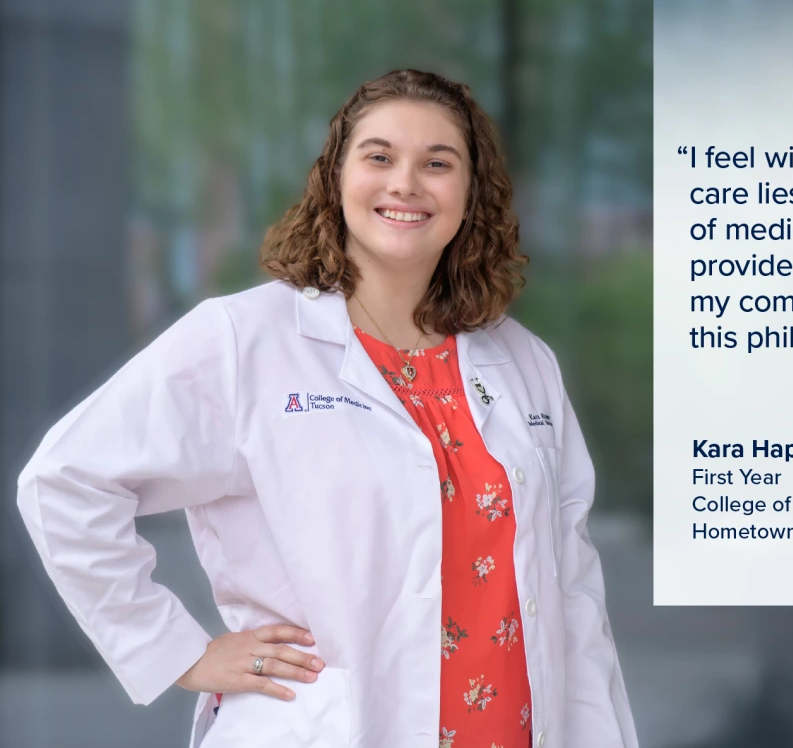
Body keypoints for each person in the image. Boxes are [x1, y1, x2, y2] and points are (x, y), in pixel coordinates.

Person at [16, 68, 638, 748]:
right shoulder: (244, 340)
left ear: (470, 193)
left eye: (438, 163)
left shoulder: (523, 361)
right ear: (336, 177)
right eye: (379, 157)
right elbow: (65, 480)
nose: (405, 182)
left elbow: (572, 590)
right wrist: (179, 651)